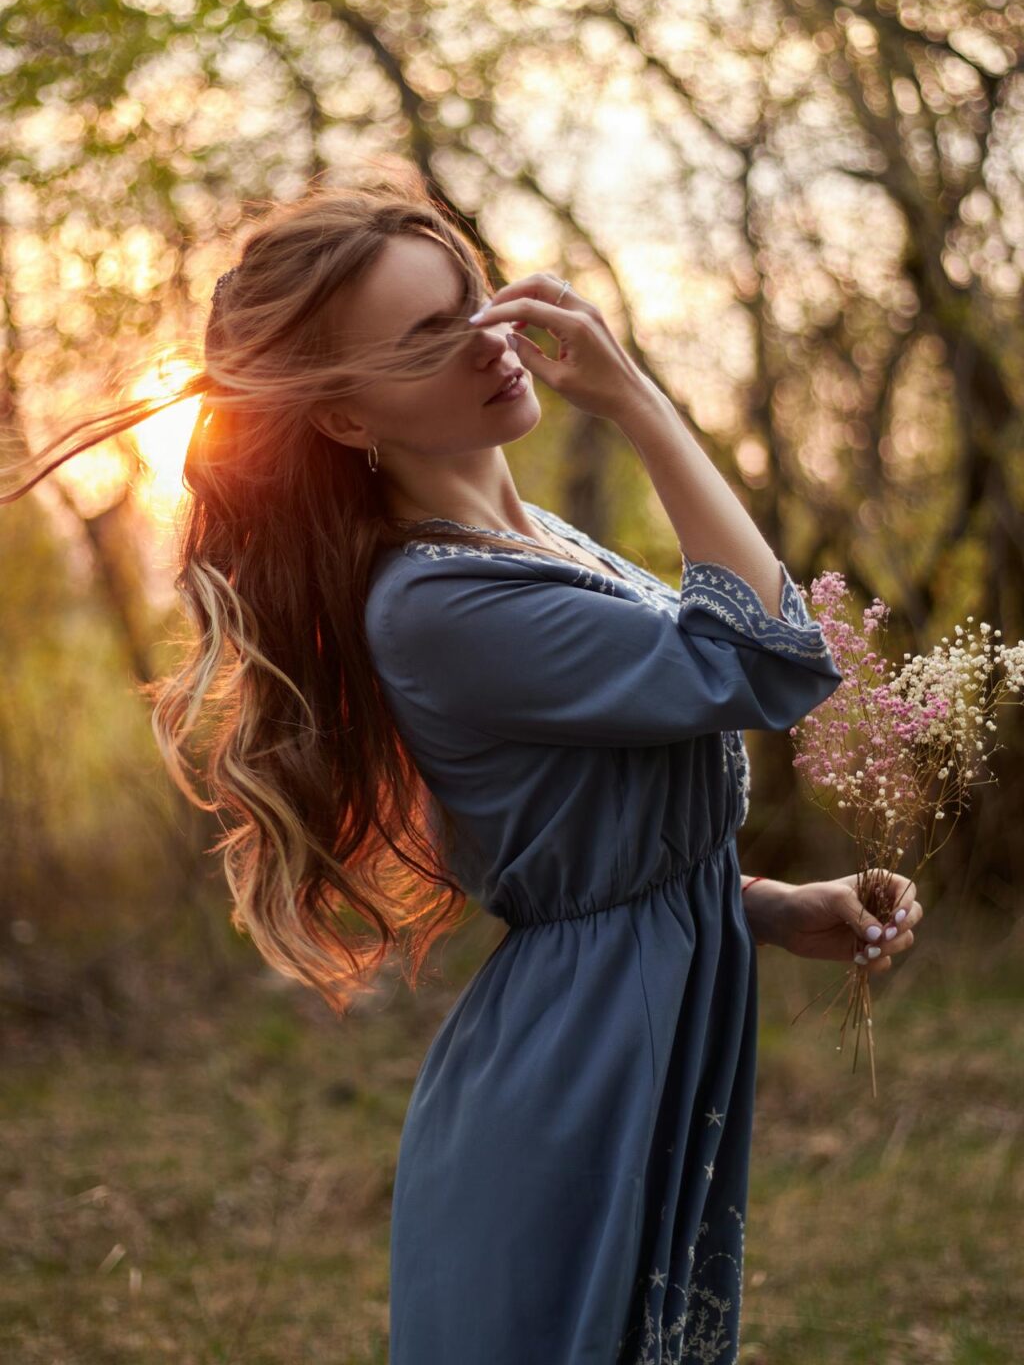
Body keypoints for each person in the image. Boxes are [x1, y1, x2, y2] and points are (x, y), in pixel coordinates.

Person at [2, 167, 922, 1363]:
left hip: (644, 1027)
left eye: (475, 301)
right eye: (428, 336)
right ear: (343, 418)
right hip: (572, 1079)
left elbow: (592, 842)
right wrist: (635, 399)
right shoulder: (438, 603)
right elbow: (770, 661)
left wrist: (762, 907)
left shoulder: (532, 540)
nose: (489, 343)